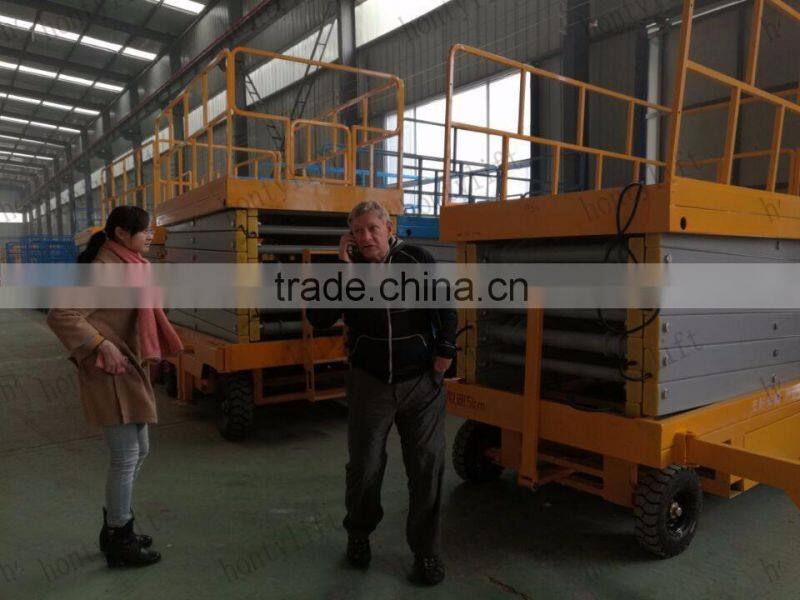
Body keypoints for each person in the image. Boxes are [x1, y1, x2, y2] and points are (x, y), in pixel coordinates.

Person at [306, 200, 458, 586]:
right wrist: (343, 268)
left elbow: (445, 307)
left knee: (426, 466)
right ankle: (359, 533)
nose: (366, 237)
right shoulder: (347, 268)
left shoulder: (416, 259)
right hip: (369, 383)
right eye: (358, 231)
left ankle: (426, 551)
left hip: (421, 384)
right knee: (365, 466)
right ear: (350, 236)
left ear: (389, 228)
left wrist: (445, 354)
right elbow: (318, 318)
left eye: (373, 228)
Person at [47, 206, 183, 568]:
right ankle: (119, 537)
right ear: (122, 234)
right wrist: (100, 344)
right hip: (109, 369)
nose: (150, 235)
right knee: (126, 456)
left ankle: (116, 526)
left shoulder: (132, 266)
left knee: (140, 450)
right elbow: (61, 314)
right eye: (145, 231)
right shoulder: (105, 270)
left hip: (127, 367)